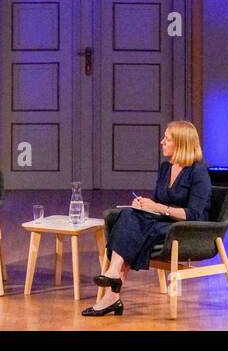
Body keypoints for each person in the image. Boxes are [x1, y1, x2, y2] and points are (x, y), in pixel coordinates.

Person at [82, 120, 212, 317]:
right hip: (163, 221)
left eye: (167, 139)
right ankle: (113, 278)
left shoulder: (198, 172)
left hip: (188, 228)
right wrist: (145, 204)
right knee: (127, 215)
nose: (161, 142)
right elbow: (159, 201)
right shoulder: (165, 168)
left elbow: (193, 214)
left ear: (181, 143)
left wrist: (157, 207)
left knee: (134, 230)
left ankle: (112, 291)